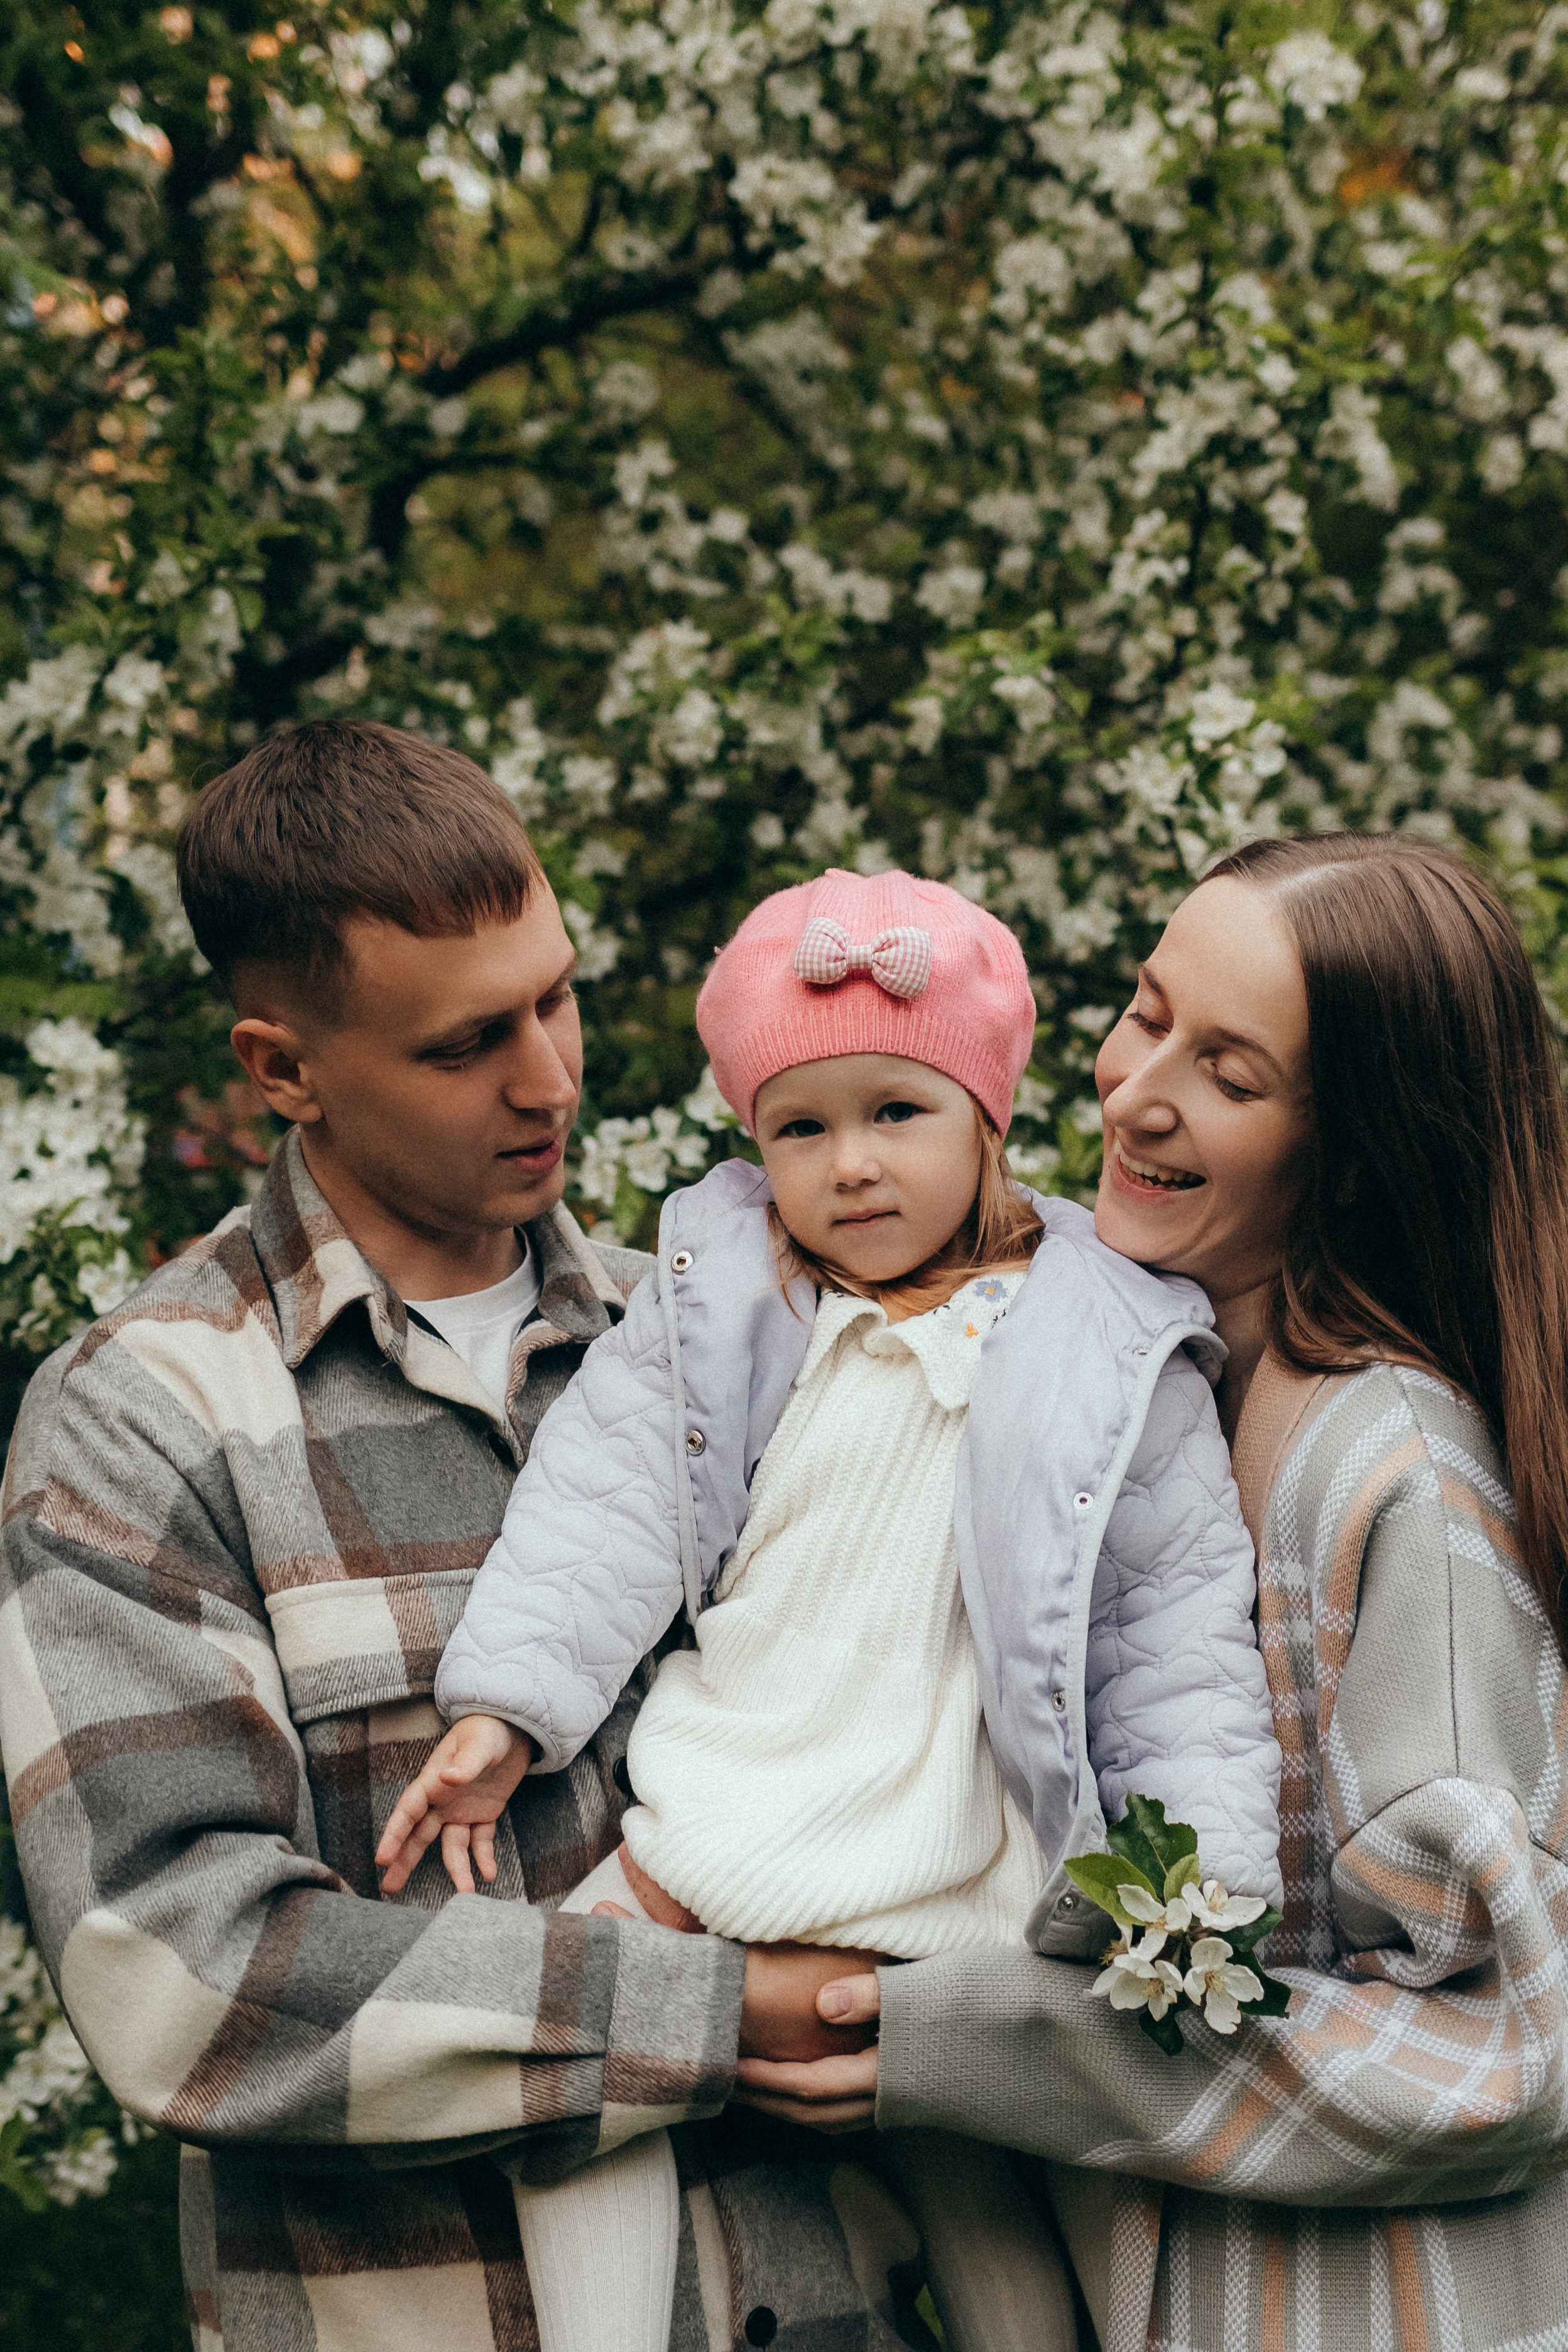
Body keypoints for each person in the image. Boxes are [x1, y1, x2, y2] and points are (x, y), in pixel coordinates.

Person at [0, 721, 937, 2352]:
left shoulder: (735, 1336)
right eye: (465, 1045)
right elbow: (185, 1976)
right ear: (282, 1069)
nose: (552, 1079)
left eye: (558, 997)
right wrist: (716, 2020)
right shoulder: (142, 1422)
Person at [376, 868, 1286, 2352]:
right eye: (801, 1127)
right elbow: (601, 1504)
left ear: (989, 1116)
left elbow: (1174, 1639)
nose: (850, 1165)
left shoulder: (1103, 1337)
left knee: (978, 2178)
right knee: (567, 2087)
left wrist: (1206, 1890)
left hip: (950, 1835)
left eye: (896, 1112)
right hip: (738, 1789)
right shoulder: (726, 1300)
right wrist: (508, 1710)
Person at [748, 835, 1568, 2352]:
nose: (1132, 1091)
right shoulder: (1107, 1372)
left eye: (1231, 1074)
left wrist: (960, 2040)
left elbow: (1511, 2050)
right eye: (1147, 1009)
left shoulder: (1398, 1484)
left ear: (1360, 1146)